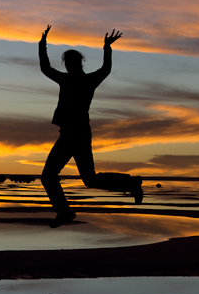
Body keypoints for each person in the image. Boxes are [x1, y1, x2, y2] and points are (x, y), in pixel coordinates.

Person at [39, 25, 144, 228]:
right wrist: (42, 44)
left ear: (78, 63)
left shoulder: (82, 80)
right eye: (67, 62)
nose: (69, 65)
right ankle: (130, 184)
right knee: (88, 179)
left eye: (71, 62)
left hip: (74, 135)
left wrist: (107, 48)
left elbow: (105, 70)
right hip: (75, 134)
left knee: (50, 176)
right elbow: (46, 68)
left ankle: (65, 211)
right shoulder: (74, 79)